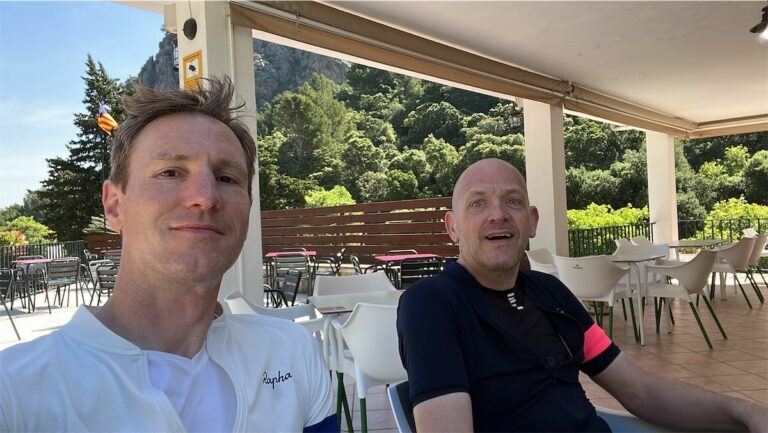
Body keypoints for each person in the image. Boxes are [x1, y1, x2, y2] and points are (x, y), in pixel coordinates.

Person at [0, 77, 336, 432]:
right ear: (114, 205)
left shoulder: (292, 352)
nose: (206, 196)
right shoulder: (15, 394)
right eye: (170, 172)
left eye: (227, 178)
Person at [397, 158, 768, 432]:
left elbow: (637, 390)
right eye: (478, 203)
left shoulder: (552, 293)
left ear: (533, 221)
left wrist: (746, 413)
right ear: (453, 228)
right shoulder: (432, 304)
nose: (498, 214)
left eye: (513, 201)